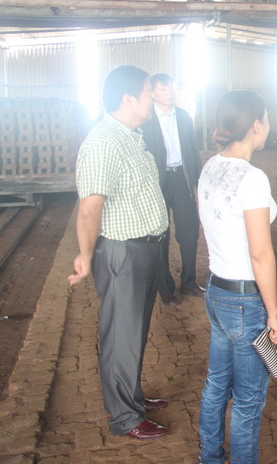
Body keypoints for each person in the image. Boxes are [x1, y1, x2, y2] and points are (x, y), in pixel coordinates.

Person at [68, 65, 170, 440]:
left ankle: (132, 397)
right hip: (123, 253)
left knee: (135, 331)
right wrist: (85, 255)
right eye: (147, 93)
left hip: (144, 249)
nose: (152, 98)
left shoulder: (131, 135)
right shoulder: (104, 142)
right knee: (121, 336)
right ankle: (125, 417)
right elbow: (89, 209)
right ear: (127, 99)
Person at [197, 90, 277, 464]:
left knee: (217, 384)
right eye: (266, 118)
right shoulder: (252, 179)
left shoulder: (210, 166)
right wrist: (274, 314)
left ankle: (210, 457)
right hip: (245, 300)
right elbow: (260, 253)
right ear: (256, 125)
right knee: (248, 399)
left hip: (216, 289)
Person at [139, 73, 203, 305]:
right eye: (163, 89)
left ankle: (189, 282)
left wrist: (196, 182)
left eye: (171, 88)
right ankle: (165, 287)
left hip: (181, 178)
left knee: (189, 232)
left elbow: (193, 152)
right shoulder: (146, 120)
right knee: (160, 234)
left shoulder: (183, 117)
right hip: (159, 181)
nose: (169, 92)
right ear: (153, 93)